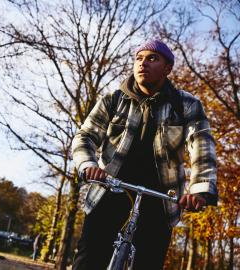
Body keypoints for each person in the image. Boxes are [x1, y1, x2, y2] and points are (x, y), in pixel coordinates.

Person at [71, 39, 218, 270]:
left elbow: (201, 146)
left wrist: (199, 189)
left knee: (149, 262)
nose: (143, 63)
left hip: (160, 199)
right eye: (139, 58)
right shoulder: (114, 99)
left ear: (168, 68)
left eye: (152, 58)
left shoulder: (186, 104)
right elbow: (85, 136)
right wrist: (88, 164)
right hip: (110, 188)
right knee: (87, 260)